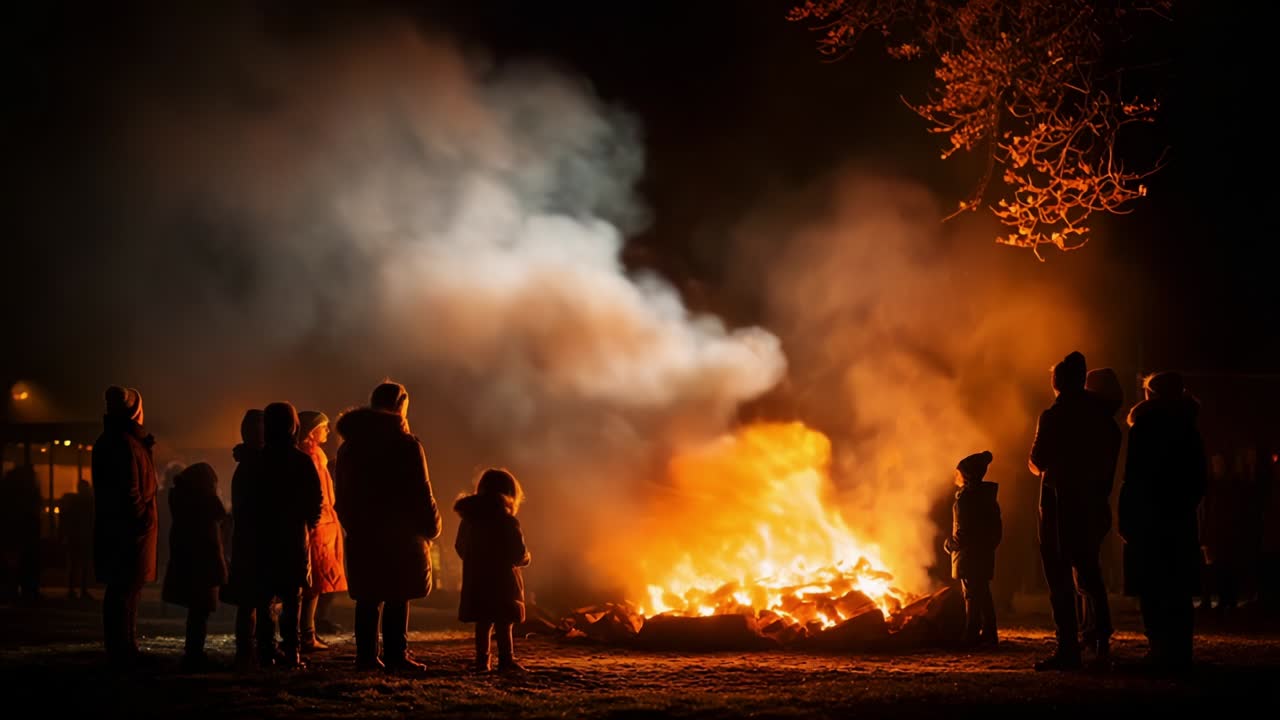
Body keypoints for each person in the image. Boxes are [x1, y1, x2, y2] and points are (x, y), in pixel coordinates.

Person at [334, 381, 441, 673]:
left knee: (368, 599)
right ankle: (396, 654)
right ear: (400, 407)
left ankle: (366, 657)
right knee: (397, 595)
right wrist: (432, 526)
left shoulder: (349, 448)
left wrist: (354, 525)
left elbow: (341, 496)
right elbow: (422, 491)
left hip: (364, 534)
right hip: (400, 536)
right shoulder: (406, 446)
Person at [1028, 352, 1118, 671]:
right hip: (1093, 505)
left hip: (1058, 508)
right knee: (1090, 574)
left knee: (1060, 580)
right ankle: (1100, 639)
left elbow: (1037, 460)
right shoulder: (1104, 418)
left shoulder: (1054, 416)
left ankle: (1068, 647)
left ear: (1058, 382)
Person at [1119, 371, 1208, 671]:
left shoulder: (1143, 426)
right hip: (1179, 520)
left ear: (1151, 394)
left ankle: (1158, 650)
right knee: (1178, 590)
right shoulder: (1188, 426)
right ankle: (1181, 652)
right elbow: (1199, 479)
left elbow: (1132, 477)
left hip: (1149, 519)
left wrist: (1127, 515)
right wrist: (1184, 506)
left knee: (1153, 588)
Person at [251, 402, 323, 669]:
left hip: (264, 537)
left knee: (265, 597)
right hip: (293, 536)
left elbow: (249, 500)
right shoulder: (301, 461)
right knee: (293, 597)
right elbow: (315, 499)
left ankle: (266, 651)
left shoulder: (258, 460)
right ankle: (292, 651)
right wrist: (309, 523)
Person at [91, 386, 159, 667]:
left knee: (125, 590)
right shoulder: (123, 443)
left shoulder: (118, 440)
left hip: (122, 529)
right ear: (135, 410)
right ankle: (122, 649)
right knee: (125, 590)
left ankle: (124, 646)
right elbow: (129, 490)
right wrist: (141, 518)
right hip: (129, 532)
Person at [160, 462, 229, 671]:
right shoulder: (204, 503)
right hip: (202, 565)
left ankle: (194, 652)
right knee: (200, 612)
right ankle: (194, 654)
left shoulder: (182, 501)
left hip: (192, 564)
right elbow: (220, 513)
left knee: (197, 613)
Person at [223, 409, 272, 669]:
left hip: (248, 540)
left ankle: (250, 650)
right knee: (258, 600)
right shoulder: (256, 465)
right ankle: (256, 651)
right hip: (256, 541)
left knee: (252, 601)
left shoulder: (247, 464)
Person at [296, 411, 347, 653]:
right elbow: (317, 497)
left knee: (312, 585)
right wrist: (317, 521)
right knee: (311, 586)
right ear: (311, 431)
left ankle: (306, 633)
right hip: (317, 529)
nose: (328, 431)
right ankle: (306, 635)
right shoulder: (311, 456)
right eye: (324, 427)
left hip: (322, 526)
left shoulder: (316, 455)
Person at [943, 451, 1001, 648]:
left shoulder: (967, 500)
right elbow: (995, 531)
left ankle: (972, 634)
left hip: (969, 557)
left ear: (968, 476)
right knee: (983, 593)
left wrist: (950, 544)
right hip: (982, 555)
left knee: (972, 595)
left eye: (959, 473)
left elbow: (963, 533)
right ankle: (988, 634)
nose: (956, 476)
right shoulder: (987, 497)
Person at [59, 479, 95, 601]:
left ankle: (72, 590)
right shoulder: (88, 502)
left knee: (75, 565)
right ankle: (82, 590)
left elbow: (66, 520)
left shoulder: (73, 502)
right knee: (83, 565)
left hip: (75, 538)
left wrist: (63, 535)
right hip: (83, 537)